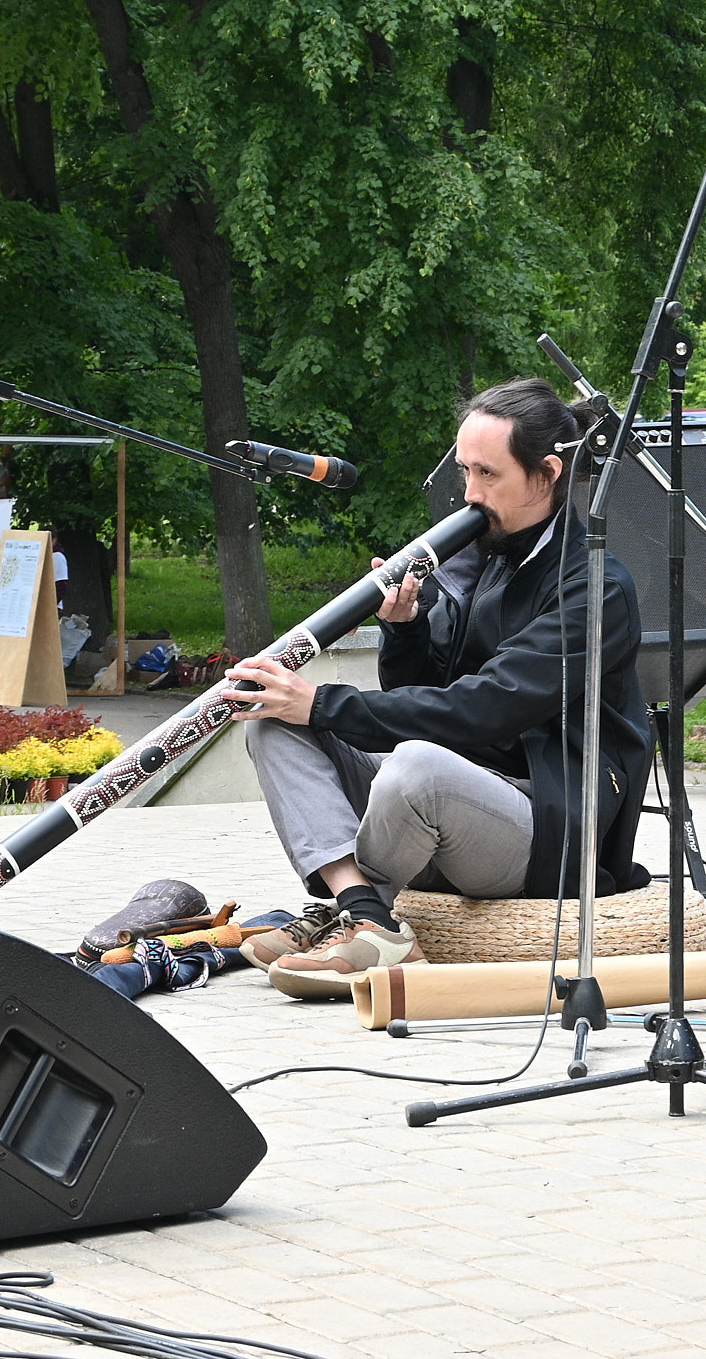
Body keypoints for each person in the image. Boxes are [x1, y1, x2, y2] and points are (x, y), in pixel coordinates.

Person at [230, 379, 651, 997]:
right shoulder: (477, 559)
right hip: (452, 807)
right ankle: (364, 912)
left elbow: (481, 713)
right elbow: (423, 693)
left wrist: (322, 700)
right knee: (276, 723)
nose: (469, 495)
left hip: (547, 825)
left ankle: (358, 916)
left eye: (488, 474)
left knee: (414, 763)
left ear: (546, 475)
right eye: (463, 472)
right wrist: (405, 630)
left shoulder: (596, 588)